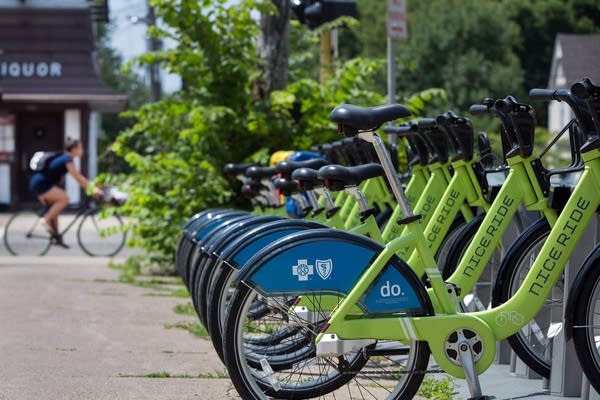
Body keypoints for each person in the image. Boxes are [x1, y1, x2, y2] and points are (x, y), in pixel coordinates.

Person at [28, 137, 101, 246]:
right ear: (74, 149)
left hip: (39, 183)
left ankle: (56, 238)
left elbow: (79, 179)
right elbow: (77, 177)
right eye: (81, 147)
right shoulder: (67, 159)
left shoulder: (64, 157)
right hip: (42, 183)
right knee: (64, 199)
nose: (82, 150)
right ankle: (44, 220)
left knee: (54, 212)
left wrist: (90, 187)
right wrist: (92, 189)